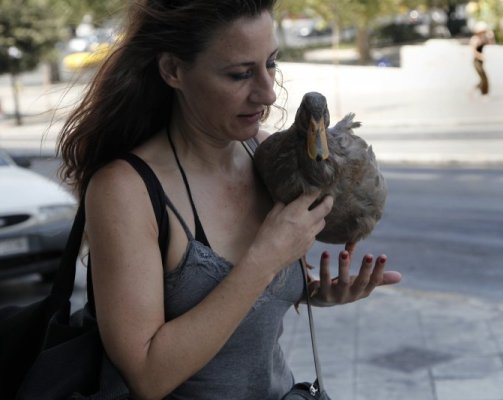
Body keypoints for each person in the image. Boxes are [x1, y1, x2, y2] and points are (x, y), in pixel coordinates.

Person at [57, 1, 401, 399]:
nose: (268, 93)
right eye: (240, 74)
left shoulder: (264, 154)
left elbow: (242, 301)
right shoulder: (126, 190)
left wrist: (313, 292)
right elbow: (147, 376)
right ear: (173, 70)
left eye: (271, 63)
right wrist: (266, 258)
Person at [469, 21, 495, 98]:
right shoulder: (475, 39)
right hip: (476, 62)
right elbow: (473, 51)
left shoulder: (483, 38)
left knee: (482, 79)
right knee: (484, 79)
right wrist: (480, 56)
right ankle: (484, 94)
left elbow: (491, 44)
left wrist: (491, 36)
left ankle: (474, 90)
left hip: (481, 61)